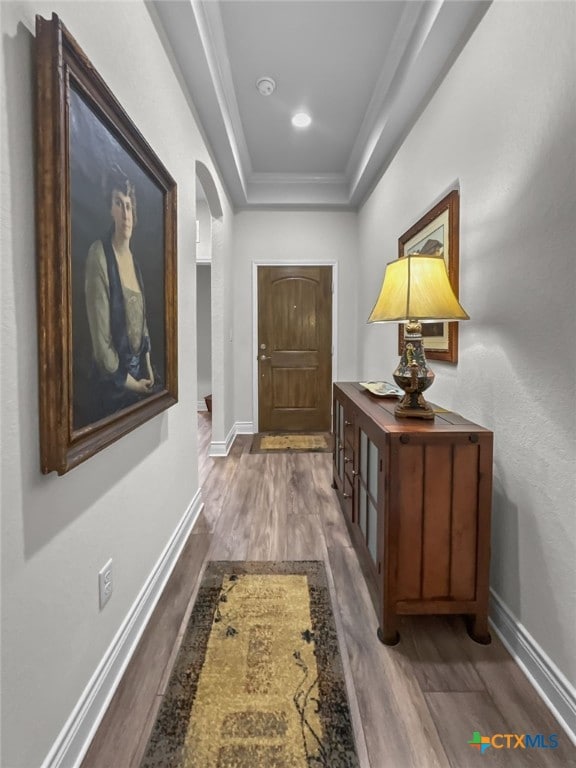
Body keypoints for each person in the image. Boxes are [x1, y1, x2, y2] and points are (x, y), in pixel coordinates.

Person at [85, 164, 157, 419]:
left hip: (139, 381)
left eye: (129, 205)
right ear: (110, 209)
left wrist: (148, 371)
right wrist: (133, 384)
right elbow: (102, 347)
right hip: (113, 389)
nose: (125, 213)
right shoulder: (99, 257)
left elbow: (142, 325)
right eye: (118, 203)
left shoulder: (135, 263)